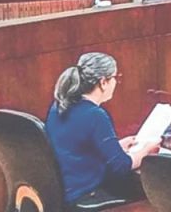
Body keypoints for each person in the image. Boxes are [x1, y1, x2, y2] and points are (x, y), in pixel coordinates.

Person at [45, 52, 159, 206]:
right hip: (85, 193)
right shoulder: (95, 115)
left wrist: (116, 146)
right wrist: (146, 151)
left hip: (66, 190)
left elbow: (77, 148)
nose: (115, 83)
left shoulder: (59, 106)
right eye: (114, 78)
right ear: (103, 82)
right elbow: (122, 166)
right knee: (153, 195)